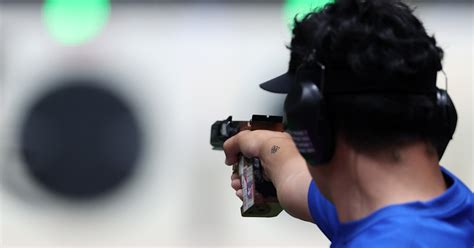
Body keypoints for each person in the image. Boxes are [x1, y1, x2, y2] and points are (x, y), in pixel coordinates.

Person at [223, 0, 473, 246]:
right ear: (440, 111)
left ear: (310, 128)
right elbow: (294, 177)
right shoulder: (449, 207)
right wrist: (267, 145)